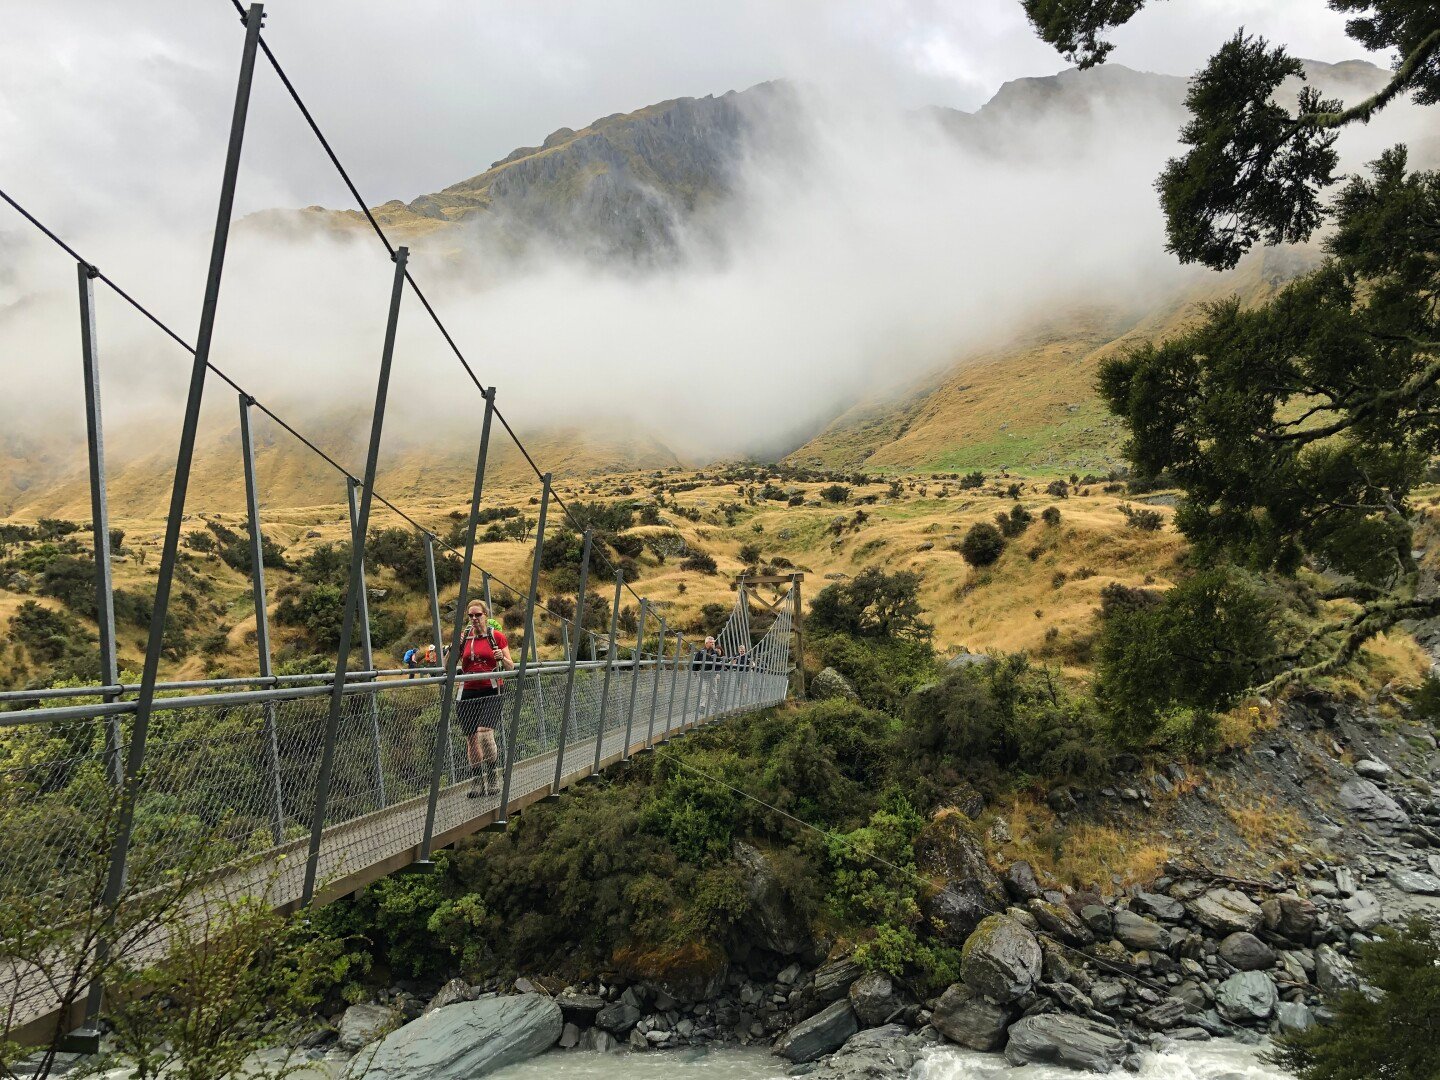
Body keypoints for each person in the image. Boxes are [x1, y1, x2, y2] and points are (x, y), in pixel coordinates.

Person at [456, 599, 514, 798]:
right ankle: (477, 781)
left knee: (484, 733)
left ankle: (492, 776)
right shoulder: (464, 637)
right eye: (470, 615)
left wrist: (501, 658)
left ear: (485, 615)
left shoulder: (496, 636)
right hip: (467, 690)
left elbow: (510, 667)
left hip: (492, 689)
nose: (474, 619)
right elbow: (448, 666)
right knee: (471, 739)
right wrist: (450, 651)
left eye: (477, 615)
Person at [692, 635, 723, 714]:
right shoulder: (701, 652)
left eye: (713, 642)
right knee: (703, 691)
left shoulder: (715, 653)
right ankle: (702, 707)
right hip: (703, 675)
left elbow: (718, 664)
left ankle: (715, 707)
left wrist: (718, 672)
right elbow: (695, 662)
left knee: (713, 691)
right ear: (706, 643)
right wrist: (695, 671)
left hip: (712, 675)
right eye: (711, 642)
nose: (713, 644)